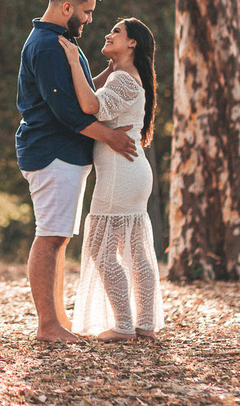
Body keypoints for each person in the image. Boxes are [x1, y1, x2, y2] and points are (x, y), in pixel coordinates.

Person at [16, 0, 137, 344]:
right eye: (85, 12)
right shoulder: (50, 46)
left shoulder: (62, 42)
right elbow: (68, 111)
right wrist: (112, 137)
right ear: (66, 6)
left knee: (59, 238)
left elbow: (80, 91)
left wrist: (110, 73)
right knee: (49, 237)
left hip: (64, 154)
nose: (88, 20)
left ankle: (58, 318)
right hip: (52, 152)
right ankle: (47, 326)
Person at [60, 17, 165, 341]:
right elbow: (96, 92)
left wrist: (72, 61)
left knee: (100, 249)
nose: (109, 33)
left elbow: (89, 104)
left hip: (121, 173)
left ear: (132, 43)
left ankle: (122, 326)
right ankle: (145, 324)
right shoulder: (125, 77)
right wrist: (105, 66)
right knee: (134, 251)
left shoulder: (124, 80)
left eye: (116, 32)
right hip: (132, 171)